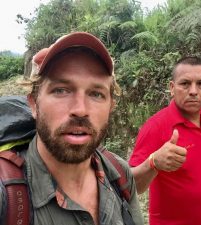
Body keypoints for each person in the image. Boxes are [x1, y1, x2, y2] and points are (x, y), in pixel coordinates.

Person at [0, 32, 143, 225]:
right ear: (34, 104)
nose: (80, 110)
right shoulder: (6, 194)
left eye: (96, 94)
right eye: (61, 90)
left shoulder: (119, 174)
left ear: (110, 107)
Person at [129, 56, 201, 225]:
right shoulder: (156, 126)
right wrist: (153, 162)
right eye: (185, 84)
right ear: (172, 88)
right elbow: (131, 186)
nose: (193, 91)